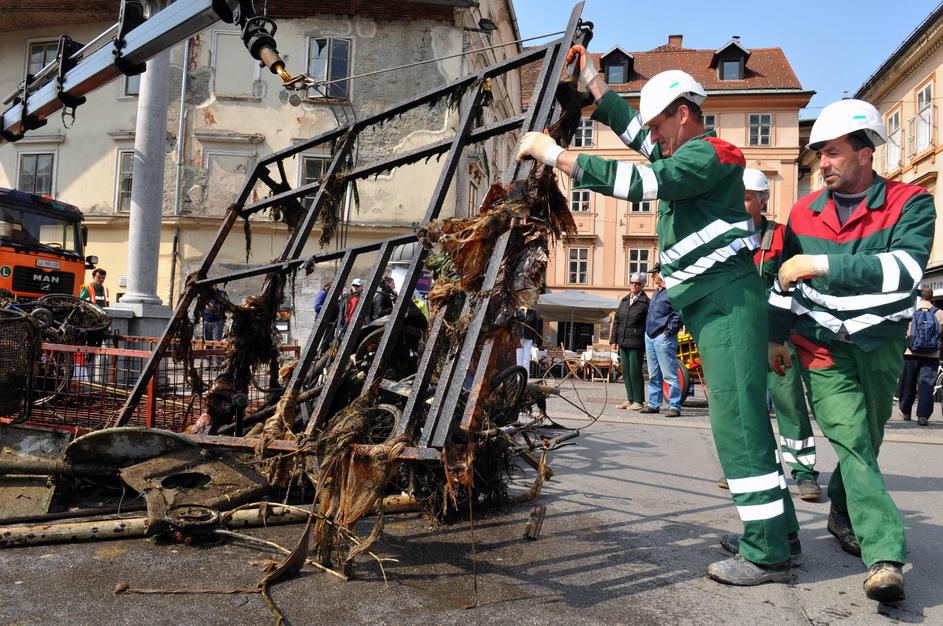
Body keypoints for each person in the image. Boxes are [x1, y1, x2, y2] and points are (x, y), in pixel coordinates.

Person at [516, 51, 798, 585]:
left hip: (726, 305)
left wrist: (554, 155)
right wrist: (594, 81)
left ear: (682, 114)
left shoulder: (708, 155)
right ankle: (779, 532)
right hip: (716, 304)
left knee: (738, 425)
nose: (653, 136)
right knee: (745, 422)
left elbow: (639, 183)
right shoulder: (686, 153)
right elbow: (633, 133)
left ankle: (767, 552)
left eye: (658, 125)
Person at [767, 98, 935, 602]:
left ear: (866, 153)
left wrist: (820, 265)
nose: (821, 164)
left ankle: (841, 511)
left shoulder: (911, 202)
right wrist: (775, 336)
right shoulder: (803, 212)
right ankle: (885, 556)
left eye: (832, 153)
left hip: (880, 342)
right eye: (819, 153)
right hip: (820, 347)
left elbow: (905, 270)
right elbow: (783, 281)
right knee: (852, 439)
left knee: (868, 440)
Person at [743, 168, 821, 502]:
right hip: (740, 334)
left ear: (762, 201)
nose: (738, 203)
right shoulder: (725, 236)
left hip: (776, 334)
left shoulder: (781, 236)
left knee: (788, 401)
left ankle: (804, 472)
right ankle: (750, 466)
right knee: (745, 405)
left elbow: (796, 283)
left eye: (746, 197)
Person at [640, 264, 683, 416]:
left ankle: (674, 406)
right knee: (653, 374)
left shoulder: (673, 291)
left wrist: (668, 332)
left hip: (663, 337)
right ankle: (653, 404)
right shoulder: (656, 292)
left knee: (669, 374)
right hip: (650, 336)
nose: (652, 276)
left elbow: (679, 314)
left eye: (654, 274)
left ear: (662, 274)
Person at [898, 286, 943, 426]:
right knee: (927, 384)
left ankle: (906, 411)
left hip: (910, 352)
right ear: (932, 297)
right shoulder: (940, 313)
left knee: (907, 382)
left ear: (919, 296)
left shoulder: (910, 311)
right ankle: (923, 416)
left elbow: (902, 331)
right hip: (932, 354)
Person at [610, 272, 649, 409]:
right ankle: (630, 399)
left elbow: (648, 324)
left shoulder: (646, 302)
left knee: (635, 371)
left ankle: (639, 400)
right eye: (632, 282)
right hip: (623, 340)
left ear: (643, 285)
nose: (634, 285)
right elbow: (617, 321)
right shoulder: (624, 300)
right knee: (626, 371)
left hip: (637, 342)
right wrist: (613, 340)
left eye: (638, 283)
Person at [515, 306, 540, 380]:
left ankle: (526, 380)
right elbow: (514, 325)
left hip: (529, 339)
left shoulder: (533, 312)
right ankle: (518, 379)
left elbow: (536, 328)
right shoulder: (517, 311)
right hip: (518, 338)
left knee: (526, 360)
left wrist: (535, 341)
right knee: (518, 361)